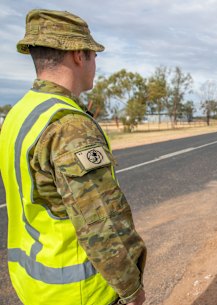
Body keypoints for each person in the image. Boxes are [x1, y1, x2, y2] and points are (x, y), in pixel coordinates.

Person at [0, 9, 146, 305]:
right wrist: (131, 288)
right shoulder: (69, 125)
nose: (95, 63)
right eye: (94, 55)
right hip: (81, 291)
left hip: (34, 285)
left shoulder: (20, 113)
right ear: (79, 55)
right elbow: (100, 223)